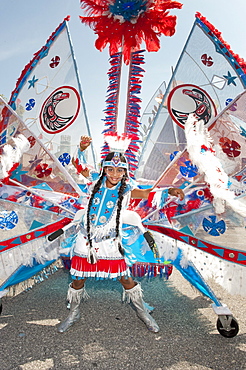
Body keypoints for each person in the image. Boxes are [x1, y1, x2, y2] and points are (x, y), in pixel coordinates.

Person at [56, 134, 184, 334]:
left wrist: (170, 191)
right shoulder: (94, 180)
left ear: (125, 171)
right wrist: (81, 148)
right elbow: (78, 165)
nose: (114, 174)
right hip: (86, 239)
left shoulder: (127, 187)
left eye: (119, 170)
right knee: (78, 278)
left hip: (111, 241)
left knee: (125, 279)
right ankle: (74, 313)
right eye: (110, 169)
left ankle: (143, 313)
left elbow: (146, 193)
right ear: (104, 169)